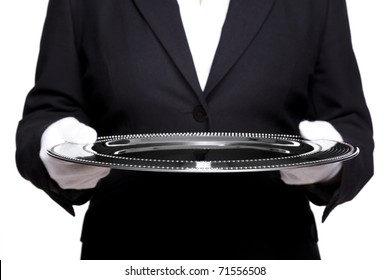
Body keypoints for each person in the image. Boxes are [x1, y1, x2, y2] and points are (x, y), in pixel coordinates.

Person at [15, 0, 374, 260]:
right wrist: (52, 149)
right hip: (126, 250)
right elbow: (47, 111)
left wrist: (331, 165)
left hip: (273, 251)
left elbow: (351, 124)